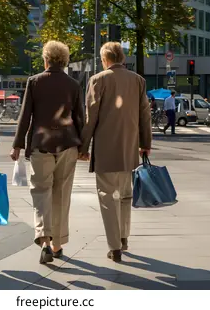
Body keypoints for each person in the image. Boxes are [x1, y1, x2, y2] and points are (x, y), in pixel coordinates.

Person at [10, 41, 84, 264]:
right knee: (61, 194)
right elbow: (80, 118)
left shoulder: (34, 82)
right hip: (67, 144)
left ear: (46, 60)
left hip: (41, 144)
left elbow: (26, 116)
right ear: (65, 61)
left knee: (41, 192)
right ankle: (58, 244)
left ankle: (44, 240)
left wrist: (18, 144)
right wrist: (84, 147)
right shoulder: (73, 84)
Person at [79, 42, 152, 263]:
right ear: (122, 58)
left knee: (106, 196)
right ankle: (123, 237)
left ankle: (114, 246)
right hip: (129, 148)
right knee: (125, 195)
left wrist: (83, 147)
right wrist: (145, 143)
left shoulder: (98, 80)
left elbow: (90, 118)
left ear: (105, 59)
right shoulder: (138, 80)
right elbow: (144, 115)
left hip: (105, 149)